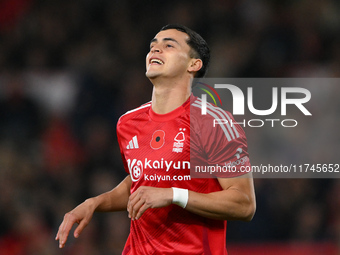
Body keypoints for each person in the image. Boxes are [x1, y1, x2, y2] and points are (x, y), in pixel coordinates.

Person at [56, 24, 256, 254]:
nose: (155, 50)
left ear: (194, 64)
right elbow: (141, 181)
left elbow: (244, 204)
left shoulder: (214, 123)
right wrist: (95, 203)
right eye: (153, 46)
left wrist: (174, 195)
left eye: (168, 45)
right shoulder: (128, 123)